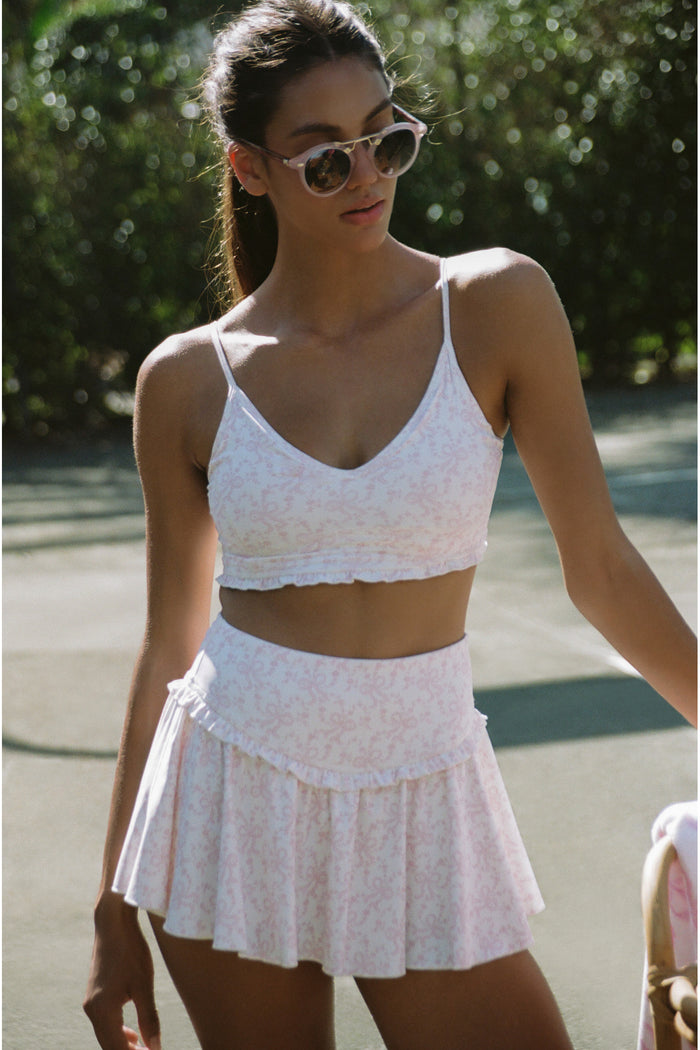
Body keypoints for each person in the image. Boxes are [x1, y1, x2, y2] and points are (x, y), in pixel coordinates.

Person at [83, 1, 697, 1047]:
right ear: (249, 169)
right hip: (229, 801)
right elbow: (168, 644)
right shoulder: (185, 379)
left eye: (387, 138)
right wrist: (109, 913)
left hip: (424, 790)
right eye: (324, 159)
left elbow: (597, 566)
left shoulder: (497, 302)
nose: (366, 176)